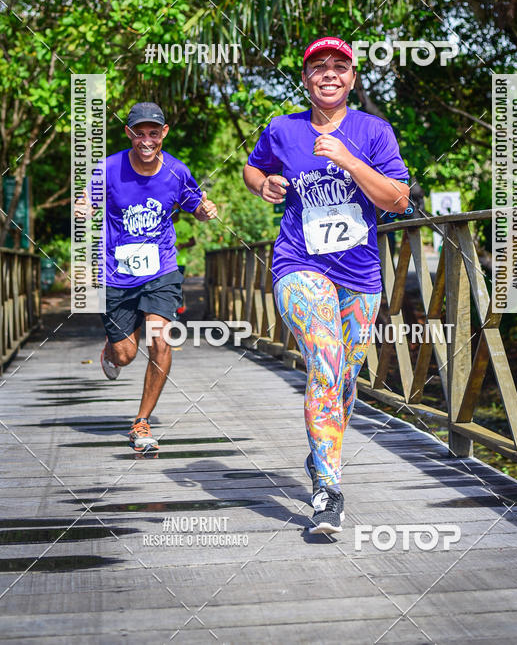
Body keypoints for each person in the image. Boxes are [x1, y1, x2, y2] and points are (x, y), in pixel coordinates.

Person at [243, 37, 410, 534]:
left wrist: (350, 161)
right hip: (299, 264)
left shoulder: (373, 131)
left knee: (344, 379)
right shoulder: (283, 128)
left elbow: (398, 200)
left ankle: (321, 456)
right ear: (306, 78)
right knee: (325, 360)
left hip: (360, 275)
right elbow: (253, 167)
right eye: (319, 66)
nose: (330, 74)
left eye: (340, 66)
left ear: (353, 78)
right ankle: (328, 490)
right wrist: (263, 184)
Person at [77, 102, 217, 455]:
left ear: (163, 133)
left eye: (153, 133)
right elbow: (87, 201)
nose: (146, 140)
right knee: (125, 355)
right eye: (139, 133)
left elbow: (196, 207)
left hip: (161, 270)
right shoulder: (109, 169)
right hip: (117, 274)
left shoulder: (176, 171)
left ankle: (141, 421)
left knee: (160, 340)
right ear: (129, 134)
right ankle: (112, 350)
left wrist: (205, 210)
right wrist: (83, 207)